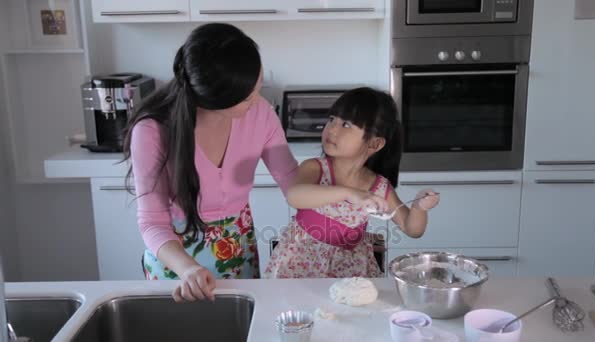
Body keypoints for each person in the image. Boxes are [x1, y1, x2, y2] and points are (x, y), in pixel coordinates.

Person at [123, 23, 298, 301]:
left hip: (238, 253)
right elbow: (152, 222)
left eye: (257, 85)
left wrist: (346, 189)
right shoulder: (153, 130)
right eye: (247, 95)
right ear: (215, 98)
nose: (257, 99)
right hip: (176, 265)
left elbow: (292, 181)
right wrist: (188, 269)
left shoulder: (260, 113)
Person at [265, 87, 440, 278]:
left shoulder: (379, 186)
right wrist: (350, 193)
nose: (331, 129)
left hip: (351, 272)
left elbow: (411, 229)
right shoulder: (315, 168)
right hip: (299, 266)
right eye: (332, 119)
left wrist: (419, 207)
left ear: (374, 144)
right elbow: (295, 196)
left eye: (346, 125)